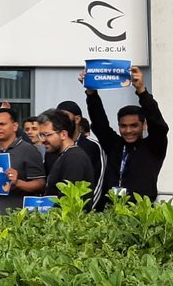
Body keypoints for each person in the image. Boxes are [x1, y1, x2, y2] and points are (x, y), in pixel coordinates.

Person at [83, 65, 168, 200]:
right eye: (123, 126)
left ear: (144, 125)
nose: (128, 131)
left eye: (134, 126)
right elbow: (100, 124)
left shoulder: (154, 147)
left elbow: (159, 126)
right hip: (112, 212)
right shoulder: (114, 145)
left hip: (140, 214)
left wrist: (141, 91)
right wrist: (91, 94)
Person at [55, 101, 106, 209]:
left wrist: (89, 209)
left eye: (64, 117)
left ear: (77, 119)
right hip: (59, 213)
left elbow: (99, 181)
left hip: (84, 213)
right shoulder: (55, 147)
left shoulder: (92, 146)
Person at [36, 109, 94, 198]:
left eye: (47, 135)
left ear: (63, 134)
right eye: (41, 135)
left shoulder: (75, 158)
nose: (42, 140)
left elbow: (68, 200)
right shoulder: (64, 155)